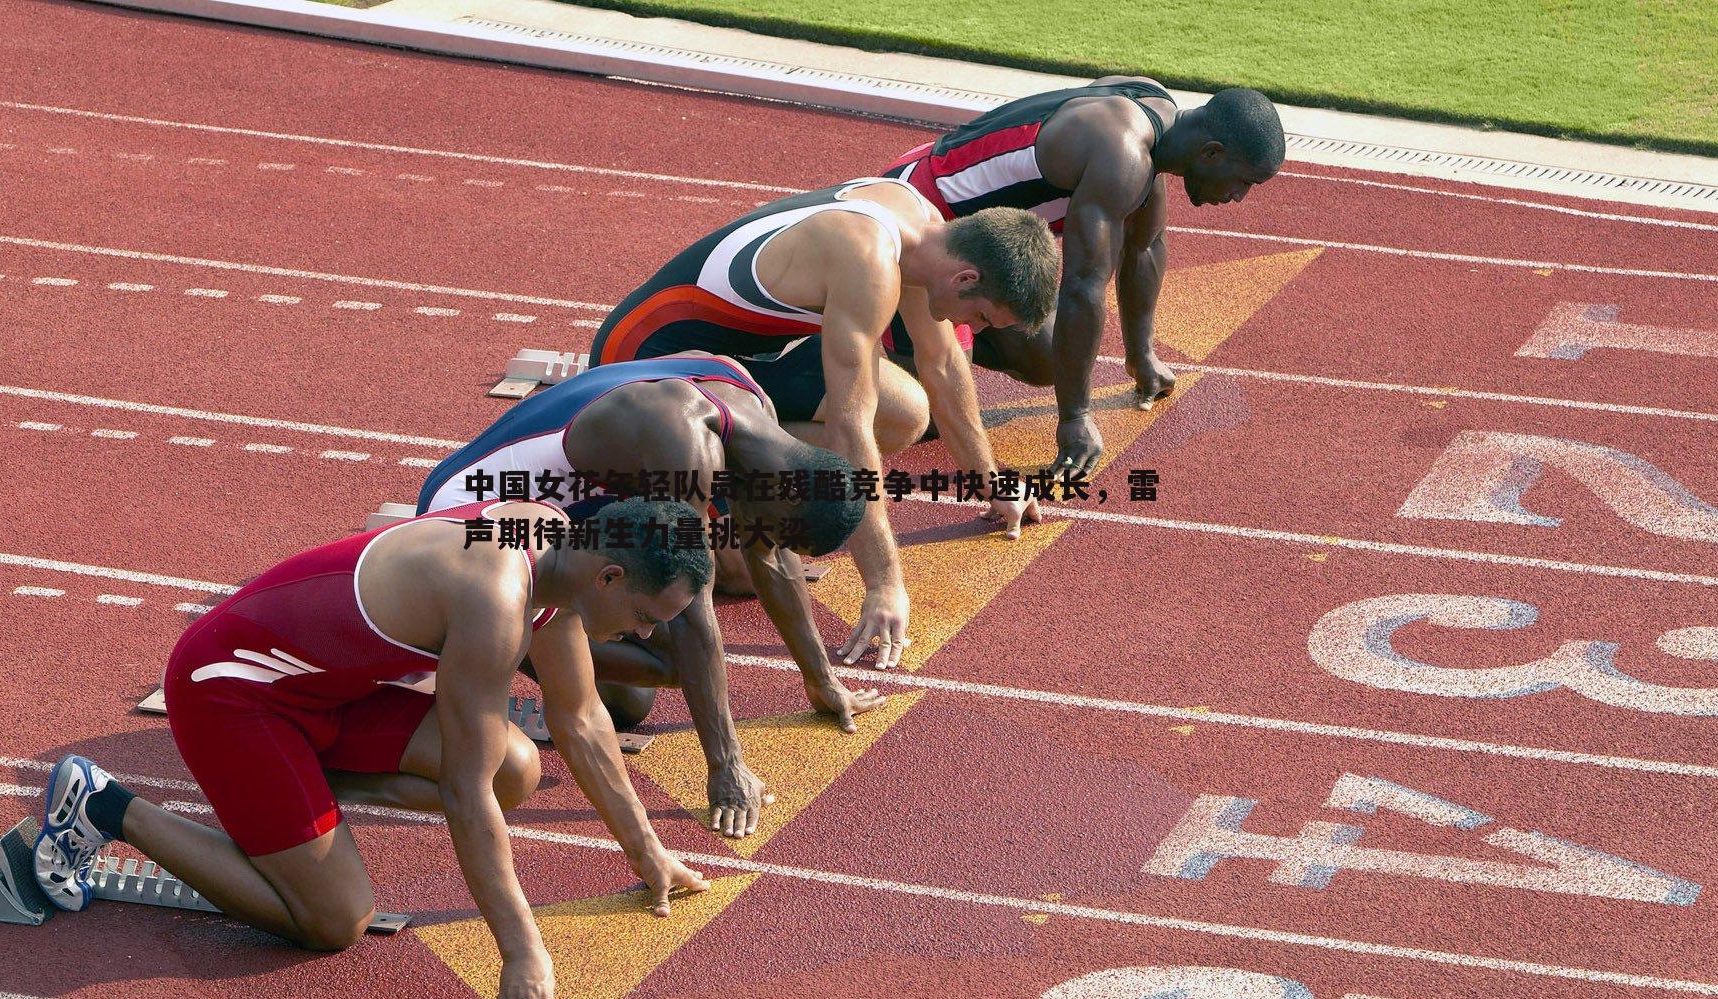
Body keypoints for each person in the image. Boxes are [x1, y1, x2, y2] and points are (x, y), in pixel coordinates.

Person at [33, 497, 713, 999]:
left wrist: (648, 854)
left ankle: (285, 809)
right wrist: (522, 953)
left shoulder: (560, 551)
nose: (648, 637)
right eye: (649, 619)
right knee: (335, 919)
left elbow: (584, 719)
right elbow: (463, 793)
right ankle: (105, 806)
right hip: (232, 691)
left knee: (517, 767)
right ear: (611, 578)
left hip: (325, 696)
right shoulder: (496, 597)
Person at [590, 176, 1060, 668]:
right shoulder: (869, 261)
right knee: (742, 568)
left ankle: (734, 459)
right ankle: (710, 467)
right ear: (965, 279)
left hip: (737, 354)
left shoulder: (927, 232)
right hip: (643, 359)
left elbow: (942, 364)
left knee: (905, 413)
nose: (976, 331)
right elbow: (848, 427)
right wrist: (883, 584)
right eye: (981, 318)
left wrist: (989, 482)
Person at [417, 352, 884, 838]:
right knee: (675, 661)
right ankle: (498, 645)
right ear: (785, 502)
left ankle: (530, 645)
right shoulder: (685, 453)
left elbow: (770, 557)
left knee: (637, 696)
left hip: (552, 510)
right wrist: (726, 766)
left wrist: (822, 681)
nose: (768, 547)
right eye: (781, 534)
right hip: (470, 517)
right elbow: (690, 612)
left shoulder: (754, 414)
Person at [884, 82, 1286, 475]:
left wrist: (1141, 354)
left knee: (1046, 356)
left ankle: (928, 336)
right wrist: (1075, 417)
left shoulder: (1155, 115)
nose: (1239, 197)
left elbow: (1144, 244)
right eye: (1244, 182)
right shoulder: (1121, 154)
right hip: (920, 223)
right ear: (1212, 152)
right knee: (927, 413)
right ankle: (859, 338)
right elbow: (1082, 286)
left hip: (962, 230)